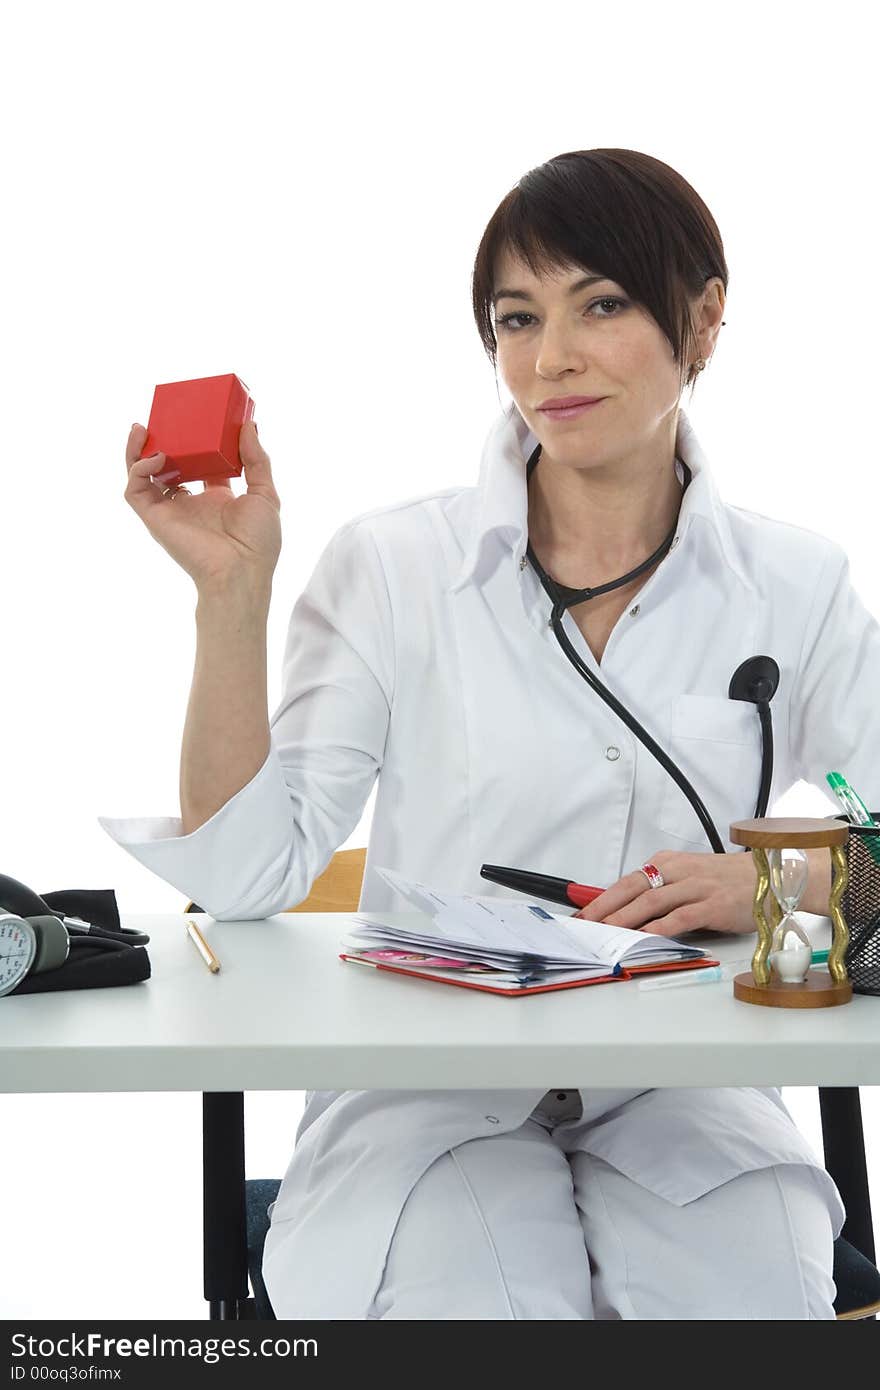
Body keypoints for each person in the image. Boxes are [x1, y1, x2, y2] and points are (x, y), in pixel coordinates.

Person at [99, 148, 880, 1319]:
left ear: (703, 320)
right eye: (517, 318)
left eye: (600, 304)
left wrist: (771, 881)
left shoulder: (798, 585)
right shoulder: (394, 564)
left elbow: (874, 857)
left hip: (688, 1092)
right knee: (479, 1307)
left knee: (749, 1300)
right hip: (422, 1092)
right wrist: (231, 596)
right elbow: (245, 876)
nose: (548, 358)